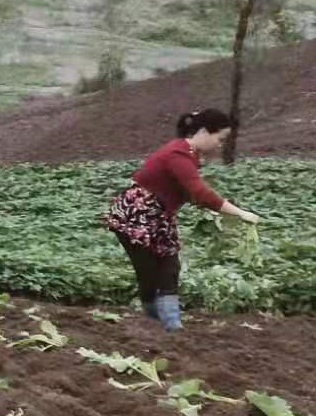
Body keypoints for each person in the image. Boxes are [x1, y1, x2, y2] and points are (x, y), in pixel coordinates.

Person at [103, 108, 261, 331]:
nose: (220, 145)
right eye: (220, 138)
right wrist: (240, 213)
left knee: (168, 267)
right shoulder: (178, 154)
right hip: (137, 216)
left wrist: (213, 211)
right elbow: (200, 192)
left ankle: (169, 323)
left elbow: (187, 191)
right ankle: (161, 321)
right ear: (205, 131)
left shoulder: (187, 154)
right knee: (150, 271)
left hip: (158, 217)